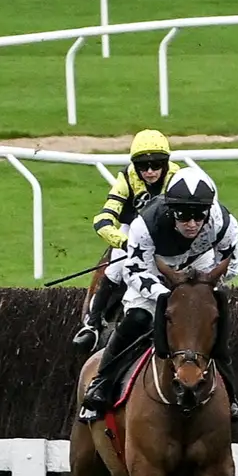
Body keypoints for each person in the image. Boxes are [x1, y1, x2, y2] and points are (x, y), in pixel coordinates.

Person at [80, 174, 238, 420]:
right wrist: (166, 294)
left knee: (213, 320)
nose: (192, 223)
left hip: (199, 269)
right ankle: (101, 384)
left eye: (199, 215)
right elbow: (133, 271)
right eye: (183, 215)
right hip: (152, 271)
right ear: (170, 209)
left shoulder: (225, 224)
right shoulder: (145, 225)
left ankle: (232, 393)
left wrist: (199, 287)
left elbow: (231, 265)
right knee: (137, 319)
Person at [74, 129, 180, 350]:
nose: (150, 171)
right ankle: (92, 324)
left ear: (167, 163)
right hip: (132, 231)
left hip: (168, 233)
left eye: (156, 165)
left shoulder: (177, 178)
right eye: (143, 166)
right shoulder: (126, 177)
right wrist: (124, 243)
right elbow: (103, 219)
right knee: (116, 268)